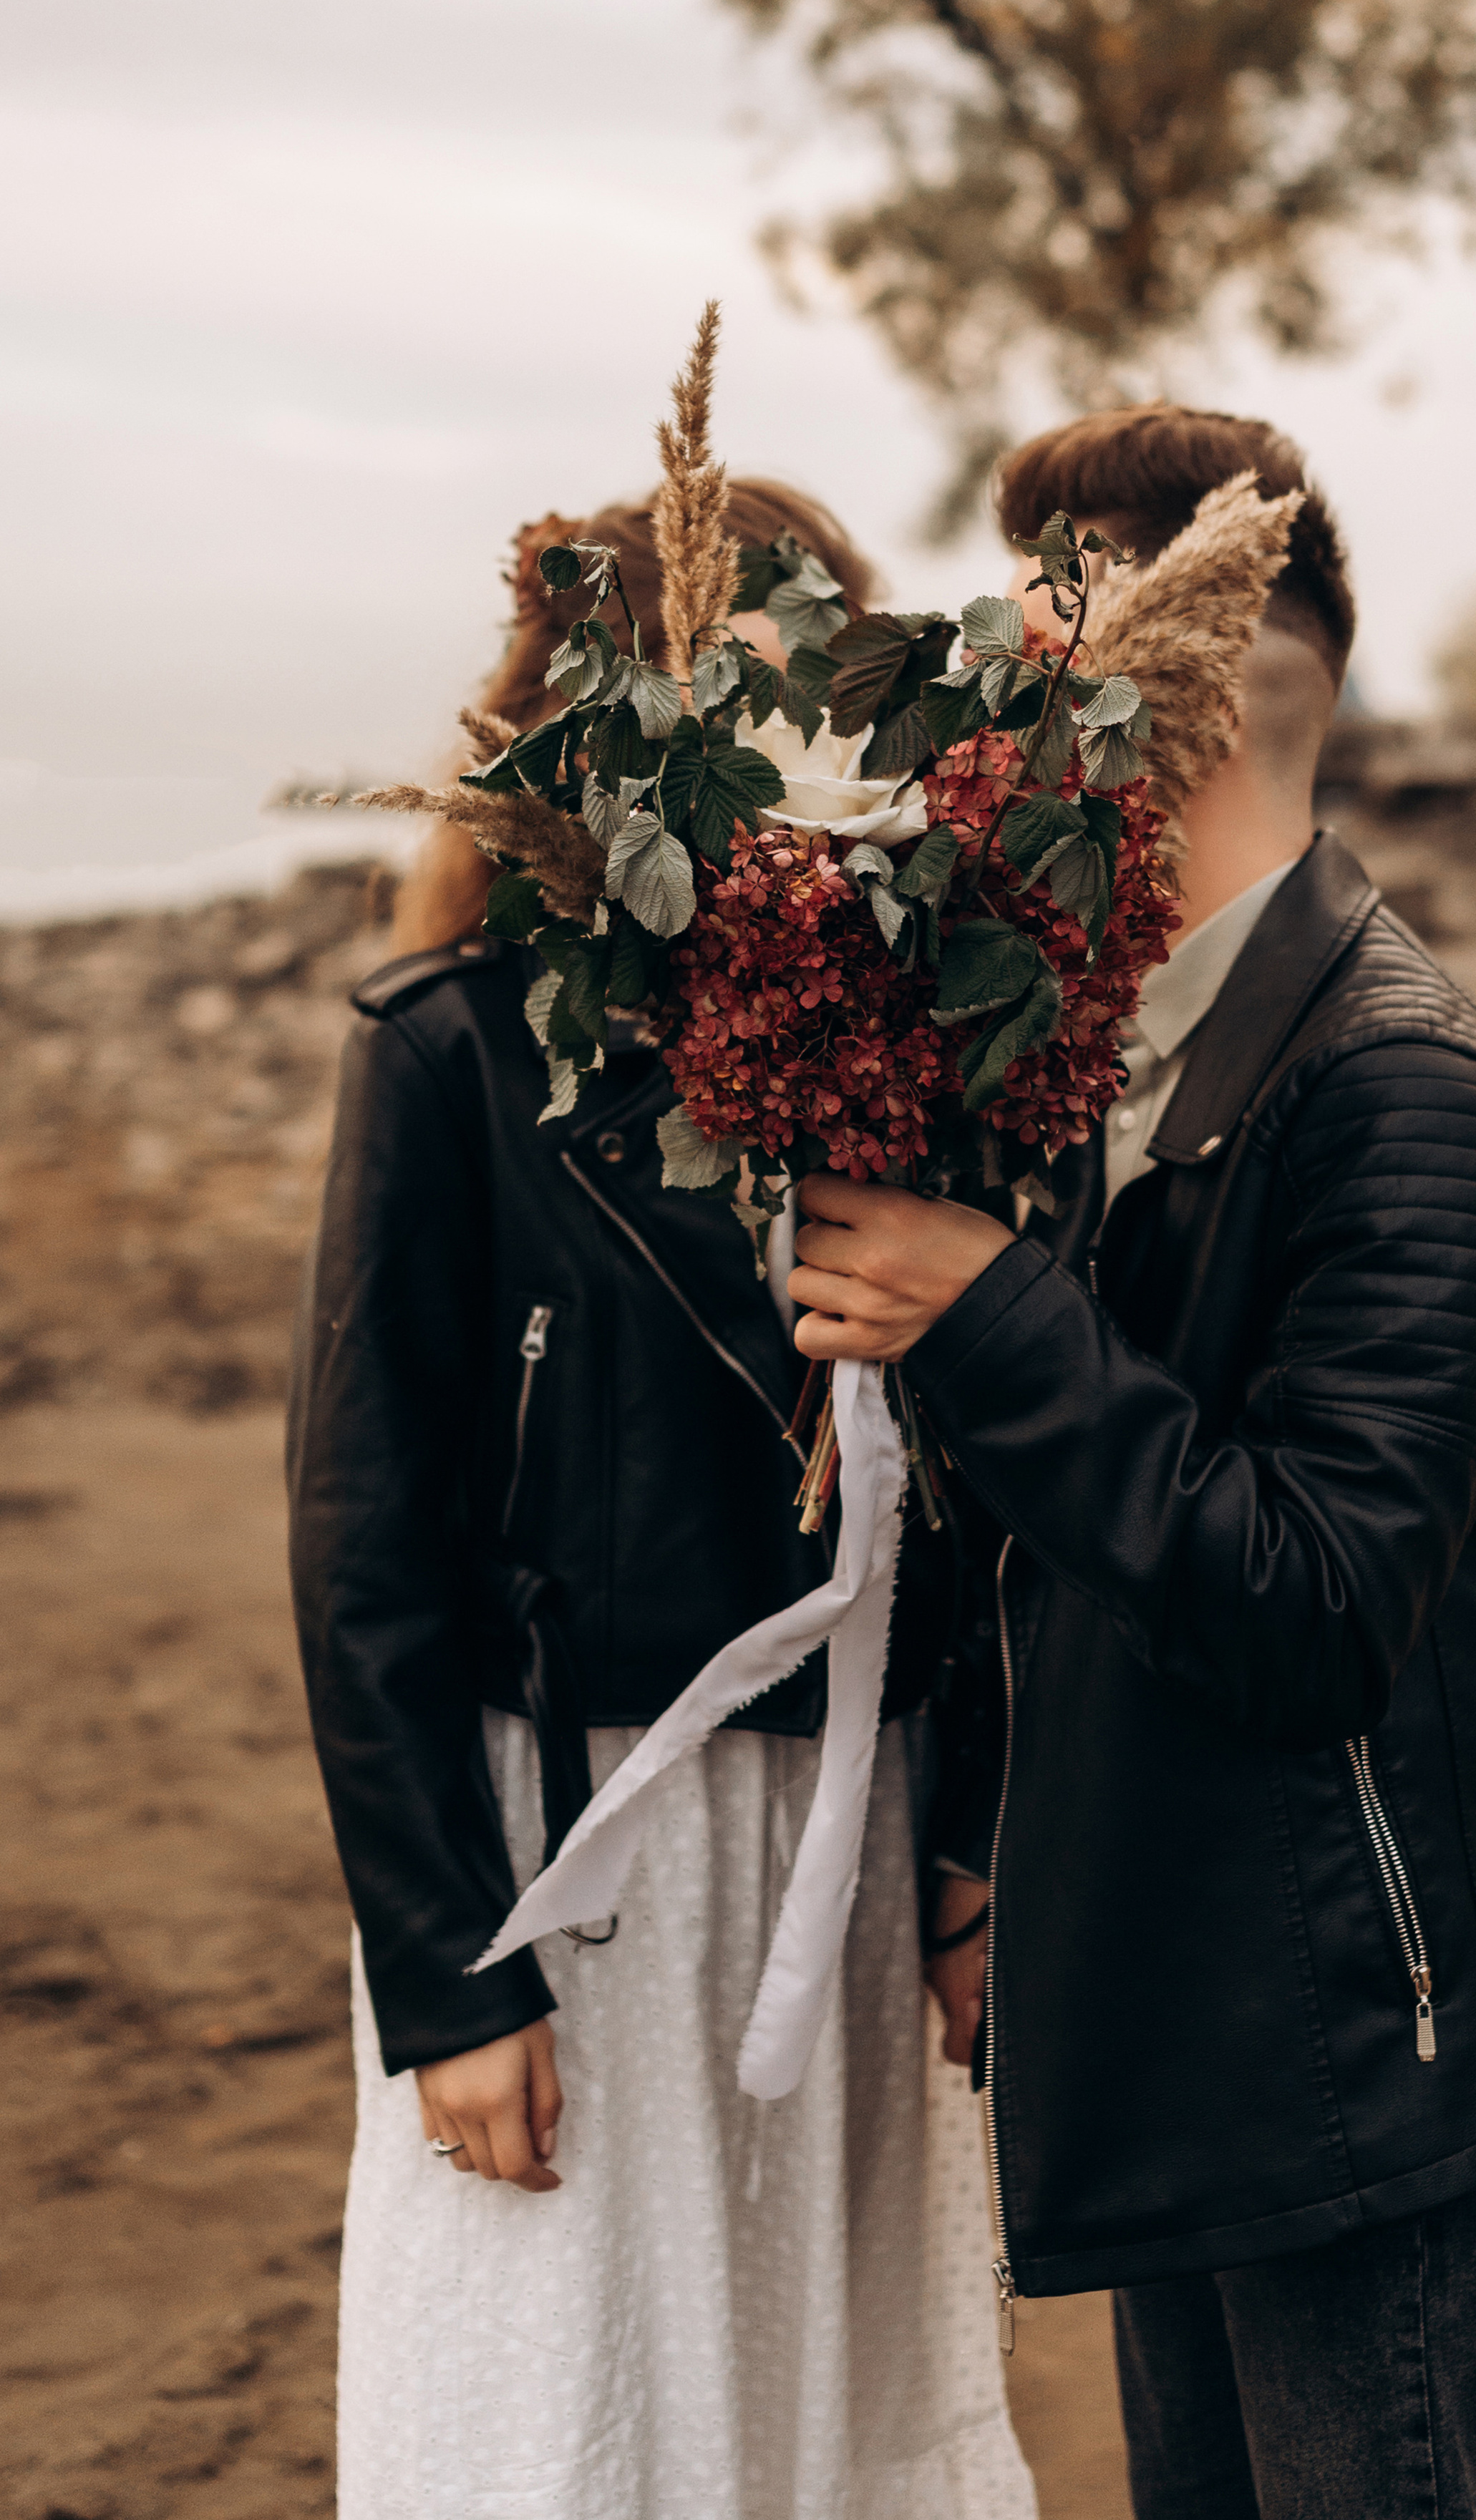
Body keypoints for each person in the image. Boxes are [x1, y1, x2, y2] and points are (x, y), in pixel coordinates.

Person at [785, 406, 1476, 2520]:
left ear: (1184, 698)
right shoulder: (1117, 1068)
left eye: (1024, 662)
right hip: (1198, 2027)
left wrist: (988, 1316)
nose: (975, 727)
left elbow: (1317, 1601)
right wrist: (990, 1853)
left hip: (1372, 2070)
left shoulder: (1421, 1105)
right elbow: (1080, 1558)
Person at [286, 479, 1036, 2520]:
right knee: (564, 2415)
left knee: (822, 2407)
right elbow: (362, 1552)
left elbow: (963, 1490)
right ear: (615, 713)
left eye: (834, 697)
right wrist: (452, 1979)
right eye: (763, 691)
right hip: (575, 1853)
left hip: (849, 1828)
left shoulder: (906, 1049)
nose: (803, 756)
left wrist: (968, 1851)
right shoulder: (448, 1054)